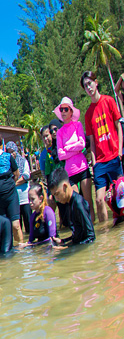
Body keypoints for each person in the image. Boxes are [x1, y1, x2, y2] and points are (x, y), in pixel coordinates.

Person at [82, 70, 123, 223]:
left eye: (90, 83)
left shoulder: (109, 101)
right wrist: (94, 162)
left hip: (114, 156)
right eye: (85, 86)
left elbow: (118, 127)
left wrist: (119, 151)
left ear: (96, 82)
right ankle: (105, 234)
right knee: (99, 200)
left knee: (120, 196)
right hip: (100, 161)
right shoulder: (88, 114)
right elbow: (91, 142)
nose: (89, 87)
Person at [54, 97, 93, 212]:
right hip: (70, 173)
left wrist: (68, 148)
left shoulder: (78, 125)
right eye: (61, 109)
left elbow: (82, 144)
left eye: (66, 109)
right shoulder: (60, 132)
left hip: (82, 168)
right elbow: (60, 155)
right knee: (77, 204)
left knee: (88, 201)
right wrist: (75, 149)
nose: (63, 112)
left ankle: (94, 227)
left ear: (71, 111)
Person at [47, 168, 95, 245]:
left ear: (65, 186)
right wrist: (63, 241)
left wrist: (66, 248)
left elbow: (91, 237)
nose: (56, 199)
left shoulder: (78, 203)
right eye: (54, 195)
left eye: (57, 194)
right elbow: (78, 235)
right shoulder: (69, 203)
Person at [7, 142, 32, 240]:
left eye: (12, 152)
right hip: (15, 201)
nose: (11, 154)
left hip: (25, 199)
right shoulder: (7, 165)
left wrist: (14, 184)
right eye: (9, 152)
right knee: (18, 227)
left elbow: (26, 176)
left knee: (29, 224)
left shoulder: (23, 161)